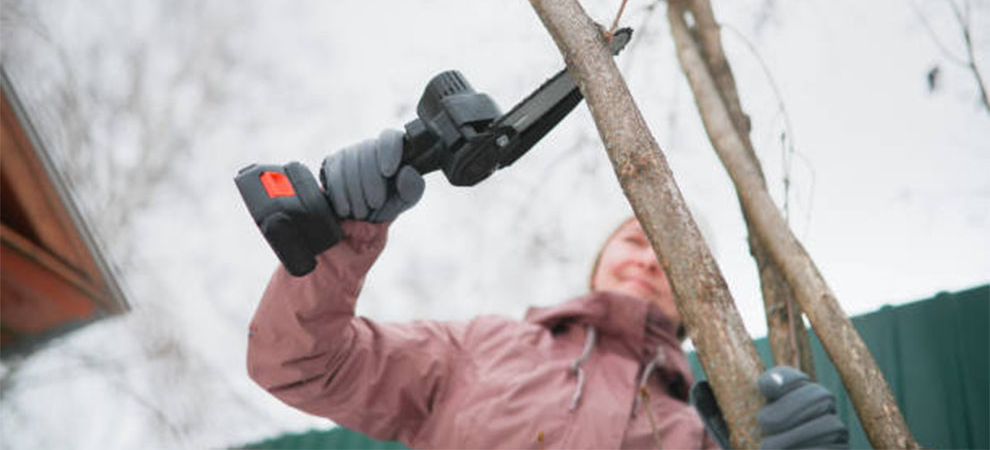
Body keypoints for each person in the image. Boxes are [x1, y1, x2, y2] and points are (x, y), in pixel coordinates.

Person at [247, 130, 848, 449]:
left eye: (668, 255)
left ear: (698, 296)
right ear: (597, 263)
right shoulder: (479, 348)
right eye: (634, 241)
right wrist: (340, 241)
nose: (648, 260)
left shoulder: (703, 433)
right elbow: (301, 366)